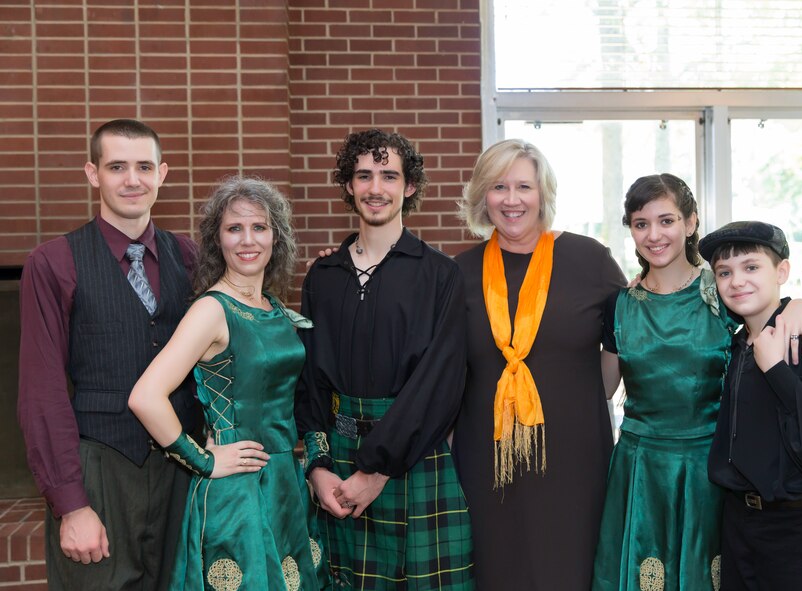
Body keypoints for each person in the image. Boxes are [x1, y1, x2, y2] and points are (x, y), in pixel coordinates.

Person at [591, 175, 802, 591]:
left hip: (712, 469)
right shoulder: (619, 305)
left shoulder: (724, 293)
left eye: (666, 220)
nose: (654, 234)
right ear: (630, 229)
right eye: (640, 223)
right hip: (639, 469)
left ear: (690, 222)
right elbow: (601, 390)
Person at [17, 119, 202, 590]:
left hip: (183, 469)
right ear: (93, 173)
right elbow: (42, 391)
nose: (132, 179)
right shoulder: (54, 262)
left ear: (163, 174)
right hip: (98, 470)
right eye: (117, 166)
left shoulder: (190, 257)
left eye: (144, 166)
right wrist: (71, 504)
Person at [128, 176, 331, 590]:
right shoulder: (211, 310)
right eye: (233, 229)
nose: (247, 240)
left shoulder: (274, 307)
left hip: (284, 486)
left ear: (277, 236)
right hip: (237, 491)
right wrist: (203, 460)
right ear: (216, 240)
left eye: (259, 227)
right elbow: (146, 397)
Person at [296, 128, 474, 590]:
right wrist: (318, 467)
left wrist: (376, 468)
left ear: (409, 186)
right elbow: (309, 380)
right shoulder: (323, 277)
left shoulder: (440, 275)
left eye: (389, 175)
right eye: (364, 175)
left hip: (413, 458)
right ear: (349, 186)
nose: (376, 188)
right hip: (338, 462)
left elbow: (441, 382)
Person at [451, 139, 626, 590]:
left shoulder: (590, 260)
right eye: (499, 187)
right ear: (482, 197)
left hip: (574, 461)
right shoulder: (458, 274)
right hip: (487, 463)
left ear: (543, 193)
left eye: (524, 186)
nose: (512, 200)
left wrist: (796, 306)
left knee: (571, 570)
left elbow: (649, 322)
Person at [700, 221, 802, 591]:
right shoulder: (738, 342)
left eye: (751, 267)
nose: (737, 281)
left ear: (782, 271)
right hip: (740, 525)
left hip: (797, 532)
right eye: (724, 272)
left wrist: (776, 368)